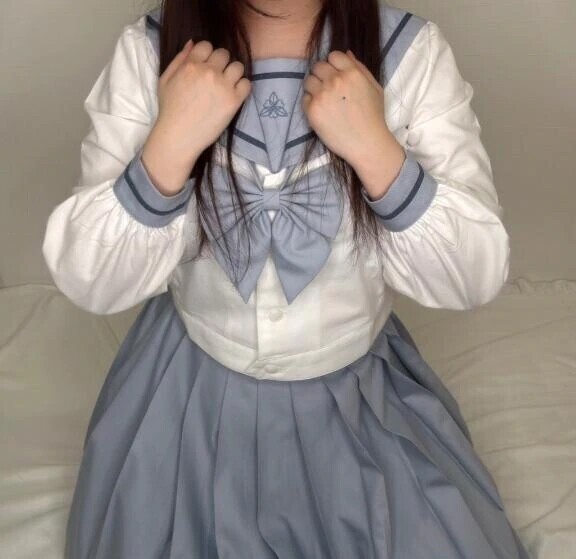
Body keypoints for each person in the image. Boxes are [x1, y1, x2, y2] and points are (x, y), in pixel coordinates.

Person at [42, 0, 531, 557]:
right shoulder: (148, 52)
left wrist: (378, 153)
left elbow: (475, 274)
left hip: (359, 401)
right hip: (181, 398)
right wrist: (168, 146)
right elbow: (90, 278)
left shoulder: (411, 54)